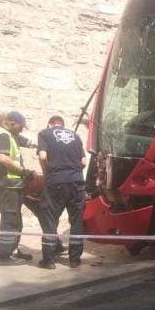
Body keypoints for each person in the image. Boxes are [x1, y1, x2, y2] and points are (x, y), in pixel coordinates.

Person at [37, 115, 87, 270]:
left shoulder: (45, 133)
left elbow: (42, 156)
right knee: (76, 220)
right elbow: (83, 162)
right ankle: (74, 260)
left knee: (50, 219)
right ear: (63, 125)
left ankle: (49, 261)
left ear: (50, 124)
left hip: (56, 182)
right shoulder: (75, 136)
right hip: (77, 182)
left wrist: (47, 174)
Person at [0, 110, 35, 265]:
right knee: (10, 218)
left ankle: (12, 250)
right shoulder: (3, 135)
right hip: (7, 184)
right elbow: (4, 159)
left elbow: (25, 141)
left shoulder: (9, 135)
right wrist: (23, 171)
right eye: (21, 126)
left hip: (11, 184)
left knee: (15, 218)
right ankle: (6, 254)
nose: (22, 129)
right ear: (12, 123)